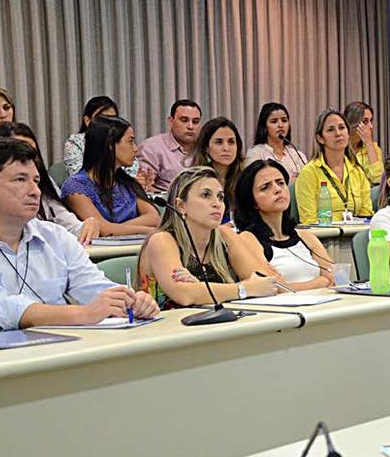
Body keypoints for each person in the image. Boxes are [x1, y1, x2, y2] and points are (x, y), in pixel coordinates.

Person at [0, 137, 158, 329]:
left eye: (36, 181)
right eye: (20, 180)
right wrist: (81, 314)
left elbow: (92, 285)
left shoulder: (55, 236)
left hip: (60, 355)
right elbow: (0, 306)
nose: (35, 191)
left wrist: (128, 301)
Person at [137, 166, 276, 308]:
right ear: (180, 206)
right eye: (205, 195)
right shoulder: (162, 240)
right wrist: (245, 288)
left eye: (220, 197)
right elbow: (185, 295)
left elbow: (265, 282)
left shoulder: (225, 236)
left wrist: (200, 288)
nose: (217, 204)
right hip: (167, 327)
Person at [0, 122, 101, 245]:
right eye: (20, 152)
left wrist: (87, 226)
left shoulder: (43, 180)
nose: (28, 158)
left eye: (32, 152)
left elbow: (66, 221)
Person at [234, 160, 334, 290]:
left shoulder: (305, 236)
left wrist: (325, 281)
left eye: (281, 183)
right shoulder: (248, 239)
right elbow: (273, 288)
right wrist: (320, 282)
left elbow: (333, 278)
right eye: (265, 187)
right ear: (252, 201)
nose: (277, 189)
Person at [61, 116, 159, 235]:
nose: (136, 149)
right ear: (110, 145)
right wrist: (150, 231)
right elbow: (102, 230)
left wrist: (114, 228)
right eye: (130, 141)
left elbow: (153, 218)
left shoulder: (128, 182)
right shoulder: (75, 187)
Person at [294, 108, 374, 225]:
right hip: (324, 237)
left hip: (355, 235)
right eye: (331, 130)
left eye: (342, 128)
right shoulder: (309, 172)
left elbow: (366, 214)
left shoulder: (357, 170)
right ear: (320, 138)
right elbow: (308, 221)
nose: (338, 133)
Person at [62, 95, 147, 184]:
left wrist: (138, 183)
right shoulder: (75, 142)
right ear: (87, 121)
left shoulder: (123, 142)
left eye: (114, 119)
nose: (109, 124)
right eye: (103, 119)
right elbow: (80, 178)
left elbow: (131, 174)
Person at [136, 99, 202, 192]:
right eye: (184, 120)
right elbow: (144, 188)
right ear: (171, 121)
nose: (190, 126)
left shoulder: (205, 148)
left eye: (195, 121)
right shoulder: (152, 147)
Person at [189, 117, 244, 222]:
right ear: (206, 148)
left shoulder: (245, 178)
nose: (226, 148)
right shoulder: (195, 180)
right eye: (219, 142)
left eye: (231, 142)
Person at [243, 102, 308, 183]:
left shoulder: (297, 155)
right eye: (274, 121)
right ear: (264, 126)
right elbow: (253, 184)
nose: (280, 125)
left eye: (284, 120)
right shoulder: (255, 153)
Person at [343, 101, 383, 185]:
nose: (370, 126)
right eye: (365, 122)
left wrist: (369, 143)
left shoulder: (373, 148)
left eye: (371, 121)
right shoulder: (339, 146)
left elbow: (378, 179)